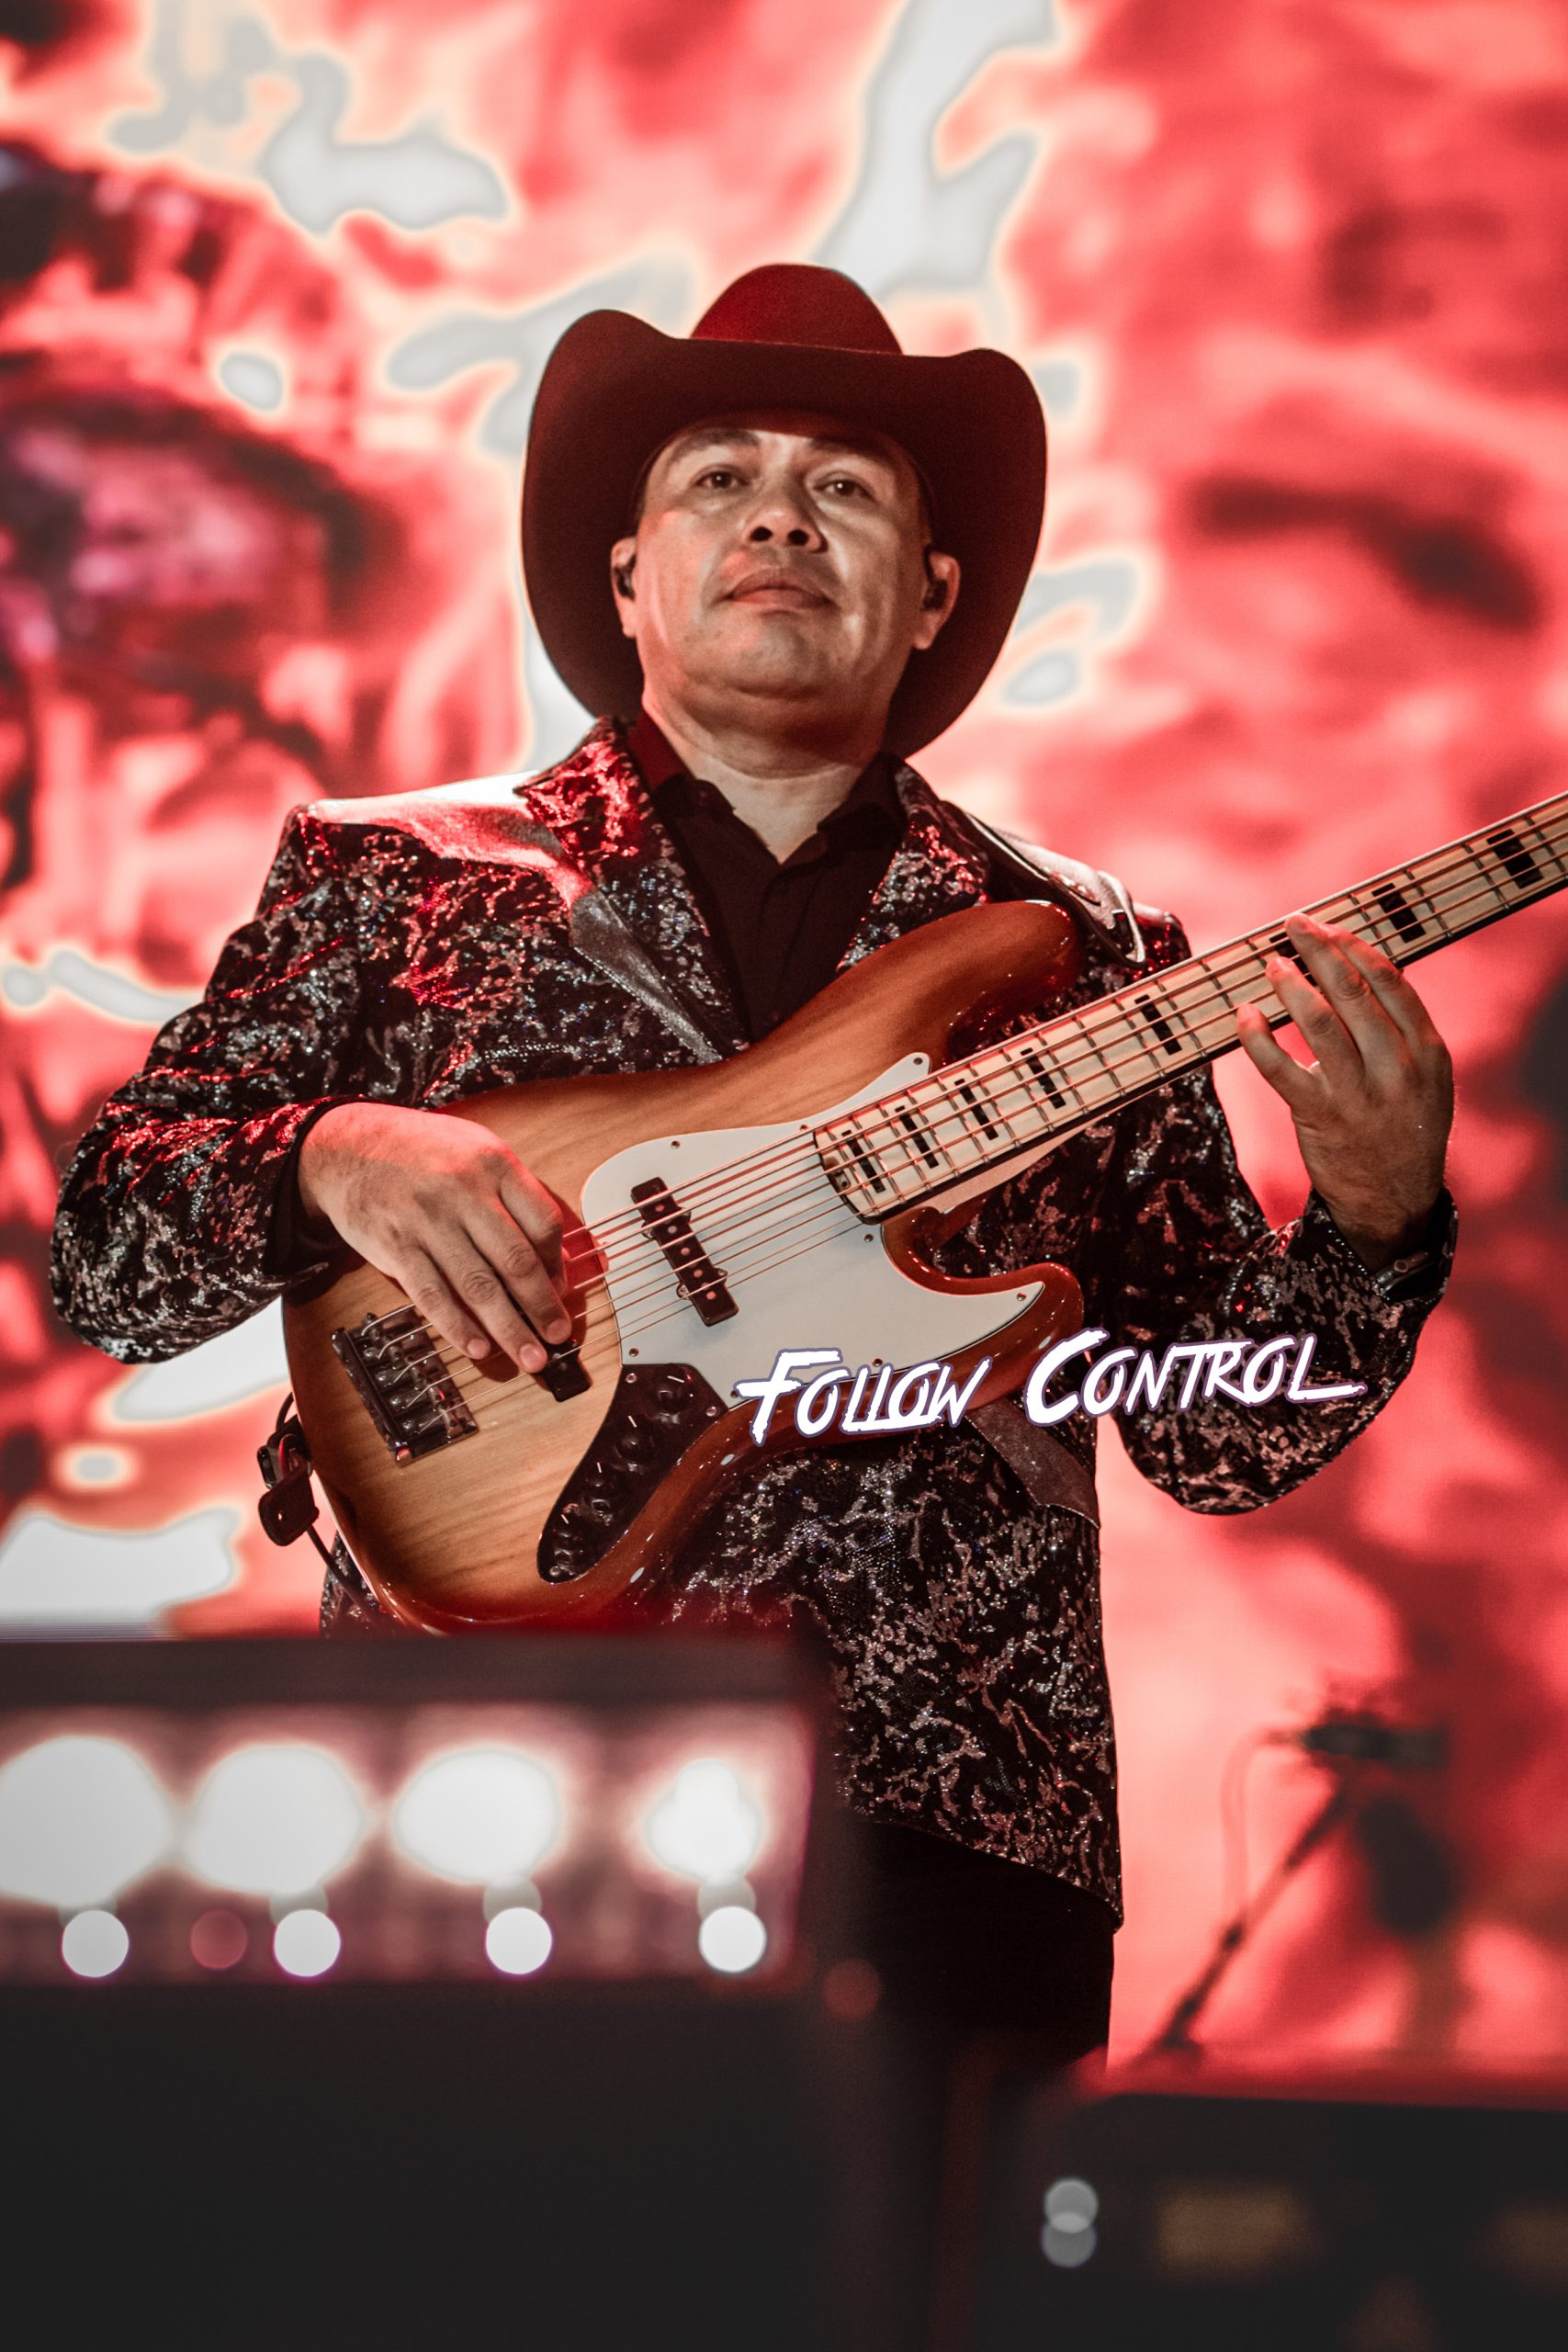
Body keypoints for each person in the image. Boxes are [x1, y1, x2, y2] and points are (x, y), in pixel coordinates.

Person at [50, 261, 1454, 2324]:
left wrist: (1370, 1226)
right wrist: (323, 1151)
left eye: (844, 486)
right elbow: (108, 1255)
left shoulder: (1087, 953)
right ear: (628, 576)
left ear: (930, 595)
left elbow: (1212, 1435)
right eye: (718, 475)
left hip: (953, 1827)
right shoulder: (388, 878)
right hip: (476, 1798)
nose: (780, 514)